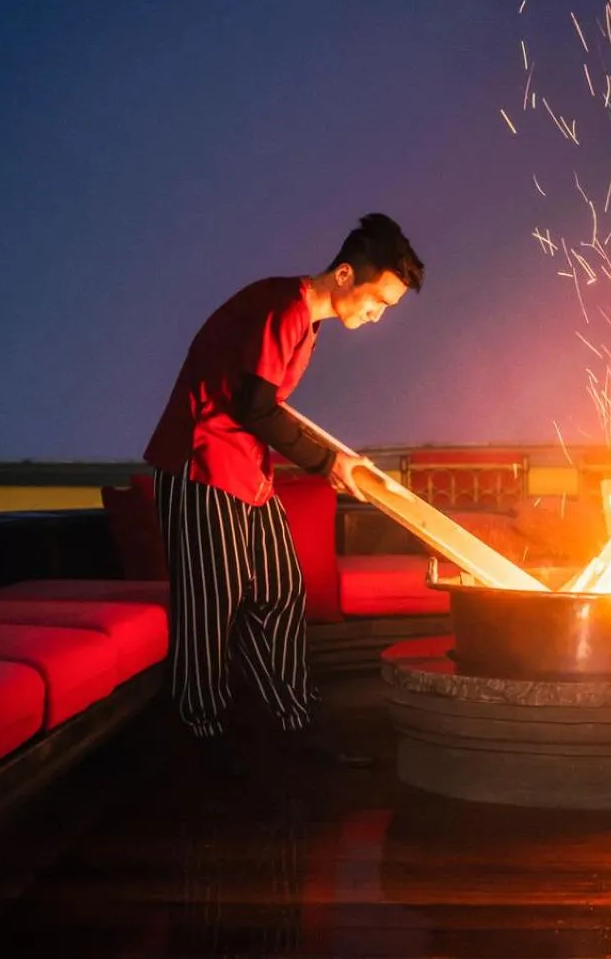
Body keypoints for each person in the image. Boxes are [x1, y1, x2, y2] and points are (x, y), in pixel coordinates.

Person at [143, 213, 424, 767]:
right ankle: (202, 739)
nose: (377, 315)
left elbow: (266, 403)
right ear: (345, 275)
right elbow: (254, 406)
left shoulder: (307, 322)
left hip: (246, 471)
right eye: (378, 301)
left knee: (280, 588)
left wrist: (337, 458)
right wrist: (328, 464)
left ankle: (293, 722)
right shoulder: (284, 305)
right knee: (211, 609)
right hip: (201, 466)